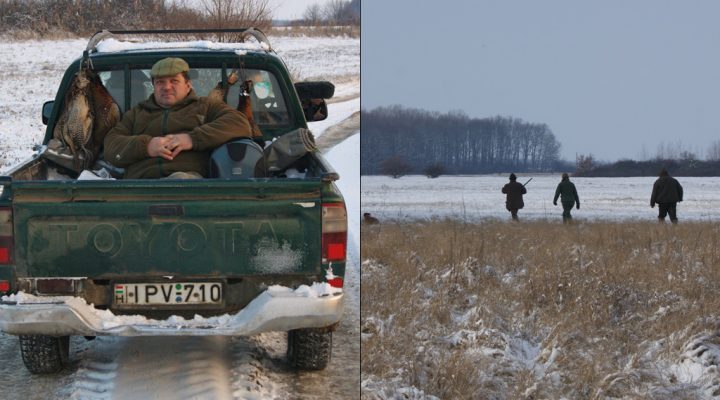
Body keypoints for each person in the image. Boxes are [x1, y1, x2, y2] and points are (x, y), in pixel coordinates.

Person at [104, 57, 252, 179]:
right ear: (154, 86)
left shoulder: (205, 106)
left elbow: (239, 123)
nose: (166, 87)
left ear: (188, 85)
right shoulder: (137, 113)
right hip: (139, 186)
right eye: (160, 82)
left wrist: (192, 139)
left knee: (180, 180)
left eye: (174, 81)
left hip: (187, 183)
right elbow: (111, 145)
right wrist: (147, 146)